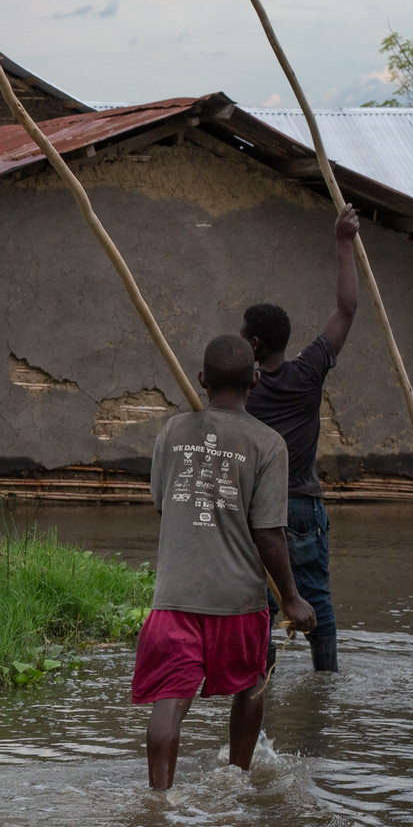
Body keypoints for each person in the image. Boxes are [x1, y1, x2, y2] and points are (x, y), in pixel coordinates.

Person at [136, 335, 317, 790]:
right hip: (238, 599)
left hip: (174, 597)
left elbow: (162, 503)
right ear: (255, 379)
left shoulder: (172, 432)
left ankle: (159, 801)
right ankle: (238, 778)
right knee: (252, 683)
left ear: (202, 380)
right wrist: (292, 598)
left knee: (169, 703)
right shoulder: (268, 443)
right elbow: (269, 533)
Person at [244, 207, 359, 674]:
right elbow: (346, 309)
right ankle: (325, 684)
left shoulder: (242, 387)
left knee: (263, 606)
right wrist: (343, 242)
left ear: (253, 345)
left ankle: (258, 686)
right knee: (317, 599)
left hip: (259, 509)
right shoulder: (308, 371)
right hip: (304, 507)